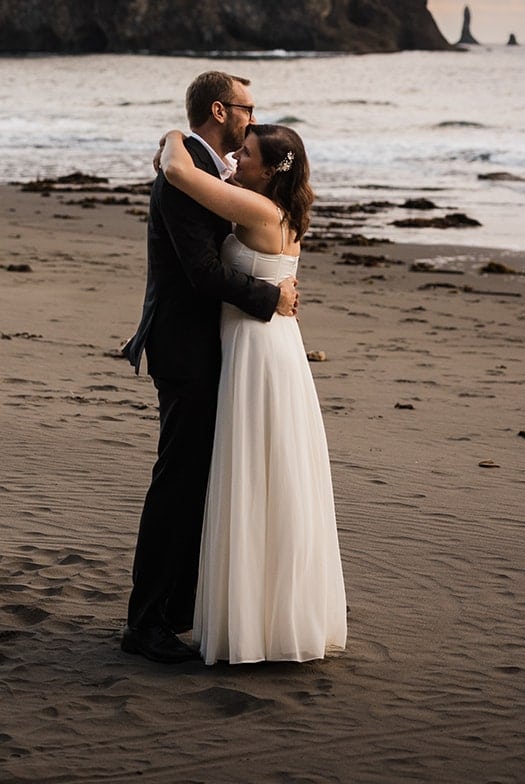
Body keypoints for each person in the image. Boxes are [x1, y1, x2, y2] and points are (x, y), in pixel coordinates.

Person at [121, 71, 299, 665]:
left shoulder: (199, 166)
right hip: (186, 349)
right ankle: (144, 624)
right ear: (222, 111)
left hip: (207, 347)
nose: (255, 118)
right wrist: (268, 298)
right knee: (176, 485)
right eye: (249, 109)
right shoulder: (184, 175)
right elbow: (200, 272)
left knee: (197, 481)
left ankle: (173, 614)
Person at [161, 121, 347, 665]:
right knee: (269, 478)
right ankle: (267, 619)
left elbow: (178, 171)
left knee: (256, 476)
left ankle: (258, 626)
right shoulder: (282, 212)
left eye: (246, 155)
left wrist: (175, 133)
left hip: (257, 351)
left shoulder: (260, 212)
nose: (235, 159)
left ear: (269, 171)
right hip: (271, 343)